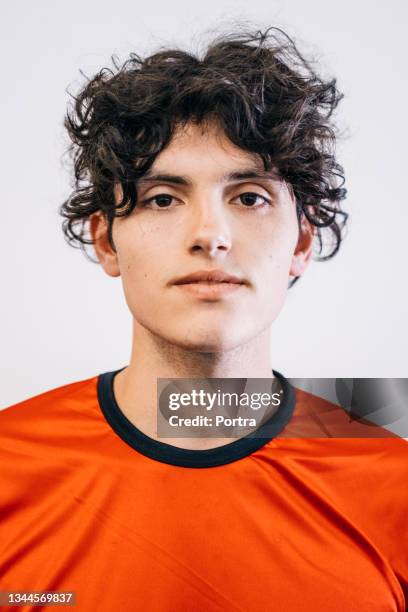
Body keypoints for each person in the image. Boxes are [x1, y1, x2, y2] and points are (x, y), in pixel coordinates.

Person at [1, 27, 407, 612]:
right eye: (163, 198)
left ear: (301, 243)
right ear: (106, 242)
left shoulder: (395, 486)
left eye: (250, 197)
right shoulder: (7, 467)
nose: (210, 235)